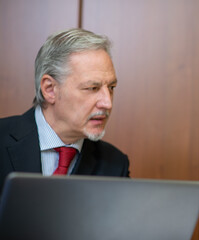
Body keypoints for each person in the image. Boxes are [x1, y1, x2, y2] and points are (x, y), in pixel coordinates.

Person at [0, 28, 130, 193]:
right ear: (50, 89)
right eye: (92, 88)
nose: (107, 103)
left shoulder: (115, 164)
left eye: (111, 87)